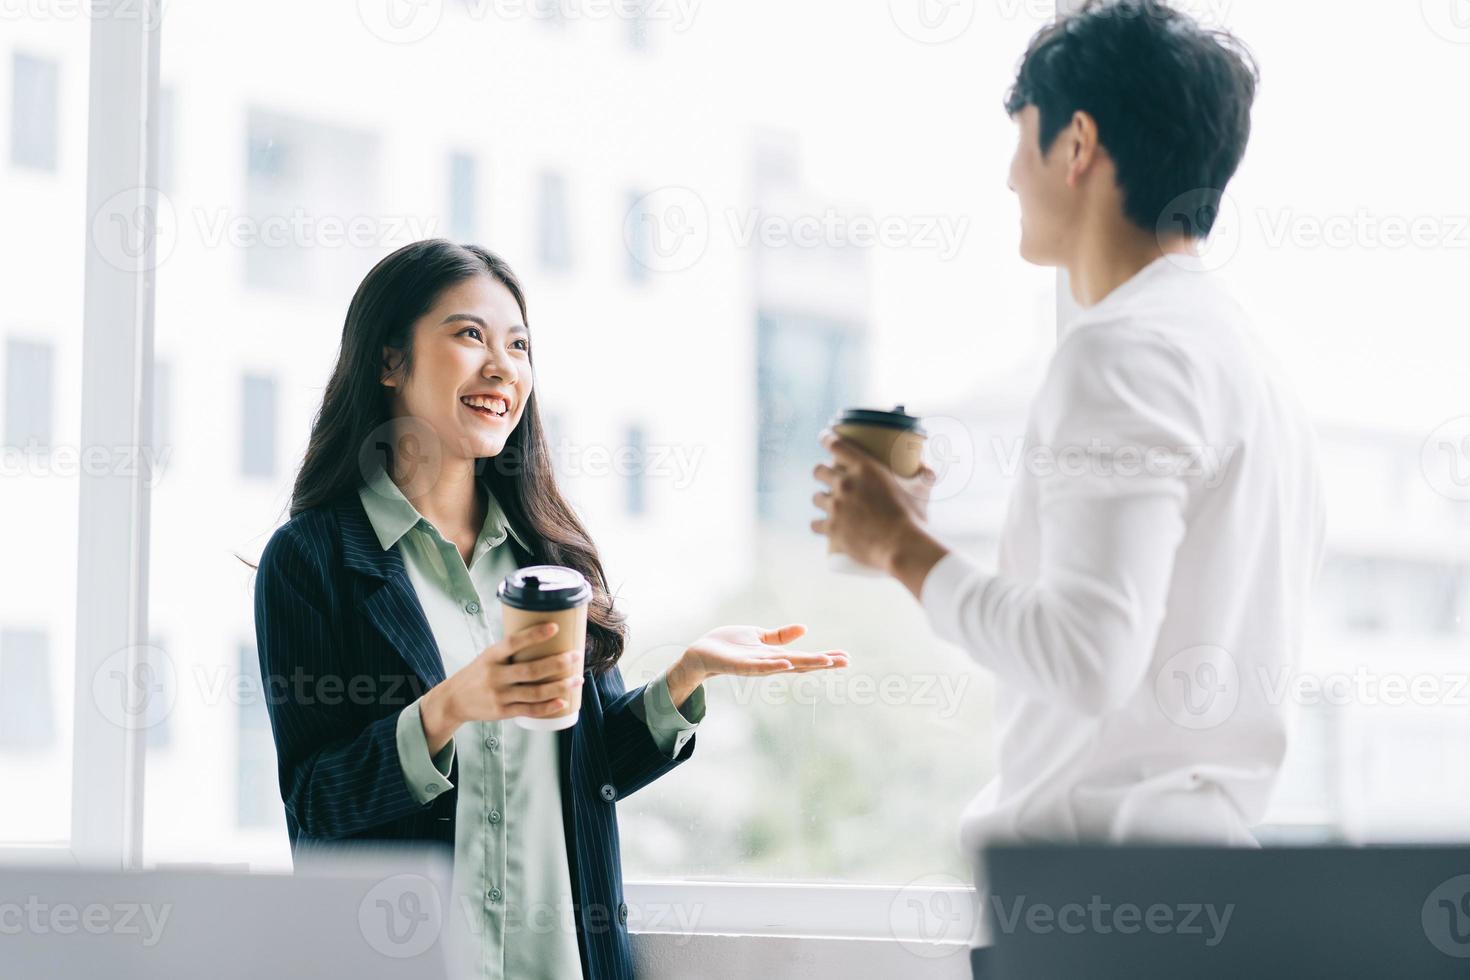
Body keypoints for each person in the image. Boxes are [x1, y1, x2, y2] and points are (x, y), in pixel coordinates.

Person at [810, 2, 1324, 974]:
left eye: (1022, 141)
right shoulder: (1251, 366)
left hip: (1101, 915)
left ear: (1076, 143)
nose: (1010, 174)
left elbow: (1089, 653)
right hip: (1199, 902)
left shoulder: (1121, 349)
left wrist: (900, 548)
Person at [253, 239, 848, 980]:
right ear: (390, 362)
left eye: (519, 345)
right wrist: (446, 711)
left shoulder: (549, 558)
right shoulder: (313, 561)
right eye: (470, 335)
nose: (503, 367)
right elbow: (315, 800)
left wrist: (682, 680)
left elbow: (587, 774)